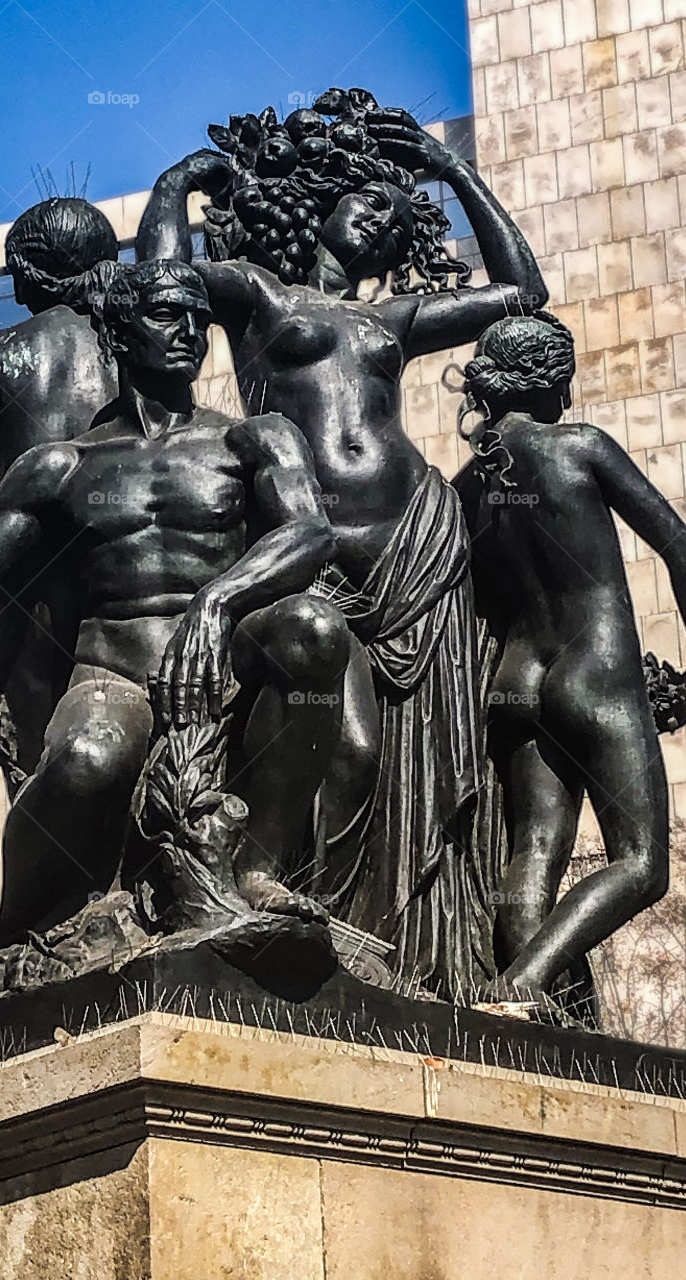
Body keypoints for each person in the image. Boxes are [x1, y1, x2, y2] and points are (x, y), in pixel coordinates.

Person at [134, 93, 549, 998]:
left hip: (417, 549)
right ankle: (285, 910)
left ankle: (396, 960)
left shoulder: (390, 320)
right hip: (309, 547)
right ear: (321, 202)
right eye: (368, 201)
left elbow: (525, 296)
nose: (379, 220)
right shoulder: (260, 294)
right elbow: (158, 286)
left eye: (395, 217)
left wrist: (454, 173)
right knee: (350, 746)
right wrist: (173, 188)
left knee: (421, 760)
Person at [0, 261, 349, 947]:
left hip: (229, 666)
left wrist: (218, 601)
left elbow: (310, 532)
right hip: (115, 677)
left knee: (314, 626)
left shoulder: (252, 439)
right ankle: (20, 926)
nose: (189, 331)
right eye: (166, 314)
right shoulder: (61, 467)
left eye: (199, 318)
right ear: (117, 334)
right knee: (86, 759)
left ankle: (257, 869)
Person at [453, 313, 686, 1007]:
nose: (568, 397)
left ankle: (520, 1002)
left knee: (533, 856)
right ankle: (524, 983)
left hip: (516, 683)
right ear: (545, 382)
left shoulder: (468, 488)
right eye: (563, 382)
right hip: (596, 673)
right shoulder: (579, 446)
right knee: (643, 864)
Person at [0, 197, 121, 776]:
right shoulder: (132, 343)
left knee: (39, 785)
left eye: (19, 276)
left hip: (31, 596)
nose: (15, 295)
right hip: (131, 587)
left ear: (38, 273)